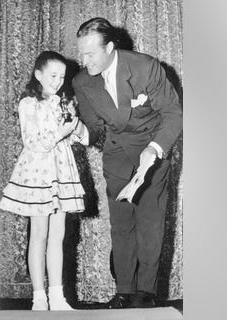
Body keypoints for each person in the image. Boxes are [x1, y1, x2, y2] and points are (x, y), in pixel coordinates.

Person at [70, 17, 182, 308]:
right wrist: (79, 131)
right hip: (117, 153)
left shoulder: (145, 67)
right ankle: (123, 291)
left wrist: (155, 148)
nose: (84, 60)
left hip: (151, 152)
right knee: (121, 226)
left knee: (150, 223)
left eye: (90, 54)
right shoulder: (82, 82)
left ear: (109, 47)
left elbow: (173, 113)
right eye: (81, 53)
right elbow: (95, 129)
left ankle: (145, 293)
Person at [0, 51, 87, 311]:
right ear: (38, 75)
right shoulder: (29, 103)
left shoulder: (62, 102)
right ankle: (39, 297)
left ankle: (57, 296)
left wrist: (75, 125)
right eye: (53, 75)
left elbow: (78, 138)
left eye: (62, 76)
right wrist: (61, 130)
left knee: (57, 236)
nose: (58, 81)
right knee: (38, 234)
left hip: (61, 173)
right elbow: (33, 142)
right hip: (38, 174)